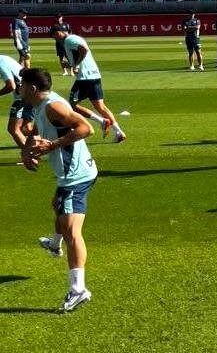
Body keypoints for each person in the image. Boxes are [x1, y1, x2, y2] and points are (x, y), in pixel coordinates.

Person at [18, 68, 98, 312]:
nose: (19, 88)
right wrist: (29, 151)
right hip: (71, 175)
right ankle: (54, 244)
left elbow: (86, 128)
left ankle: (78, 289)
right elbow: (35, 133)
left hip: (76, 176)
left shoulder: (54, 106)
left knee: (73, 232)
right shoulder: (41, 106)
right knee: (58, 205)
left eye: (22, 85)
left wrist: (51, 145)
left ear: (32, 88)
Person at [55, 28, 125, 144]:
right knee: (101, 107)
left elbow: (84, 50)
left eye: (55, 37)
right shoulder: (77, 38)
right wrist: (71, 64)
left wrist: (76, 65)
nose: (56, 40)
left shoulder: (69, 40)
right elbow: (82, 53)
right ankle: (119, 132)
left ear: (58, 33)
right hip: (95, 75)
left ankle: (101, 121)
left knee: (72, 105)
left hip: (84, 78)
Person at [1, 53, 26, 148]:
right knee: (25, 129)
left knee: (13, 129)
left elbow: (11, 86)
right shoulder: (4, 58)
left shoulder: (0, 63)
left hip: (23, 98)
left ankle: (30, 156)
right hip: (30, 96)